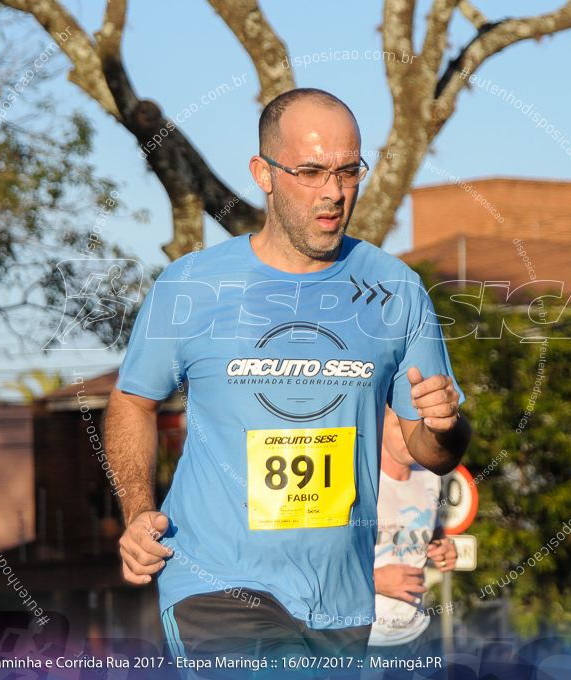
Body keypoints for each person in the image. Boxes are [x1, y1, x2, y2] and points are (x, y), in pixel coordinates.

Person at [104, 88, 471, 662]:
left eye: (349, 172)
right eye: (311, 171)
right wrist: (134, 511)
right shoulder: (191, 287)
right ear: (264, 173)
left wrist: (445, 425)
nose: (333, 192)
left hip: (344, 599)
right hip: (217, 583)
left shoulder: (395, 288)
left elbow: (434, 452)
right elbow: (132, 401)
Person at [369, 406, 458, 655]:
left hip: (415, 635)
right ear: (379, 426)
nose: (410, 436)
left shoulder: (430, 476)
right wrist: (374, 581)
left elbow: (432, 531)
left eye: (418, 427)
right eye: (400, 426)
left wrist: (443, 548)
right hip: (362, 636)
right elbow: (323, 562)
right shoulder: (361, 480)